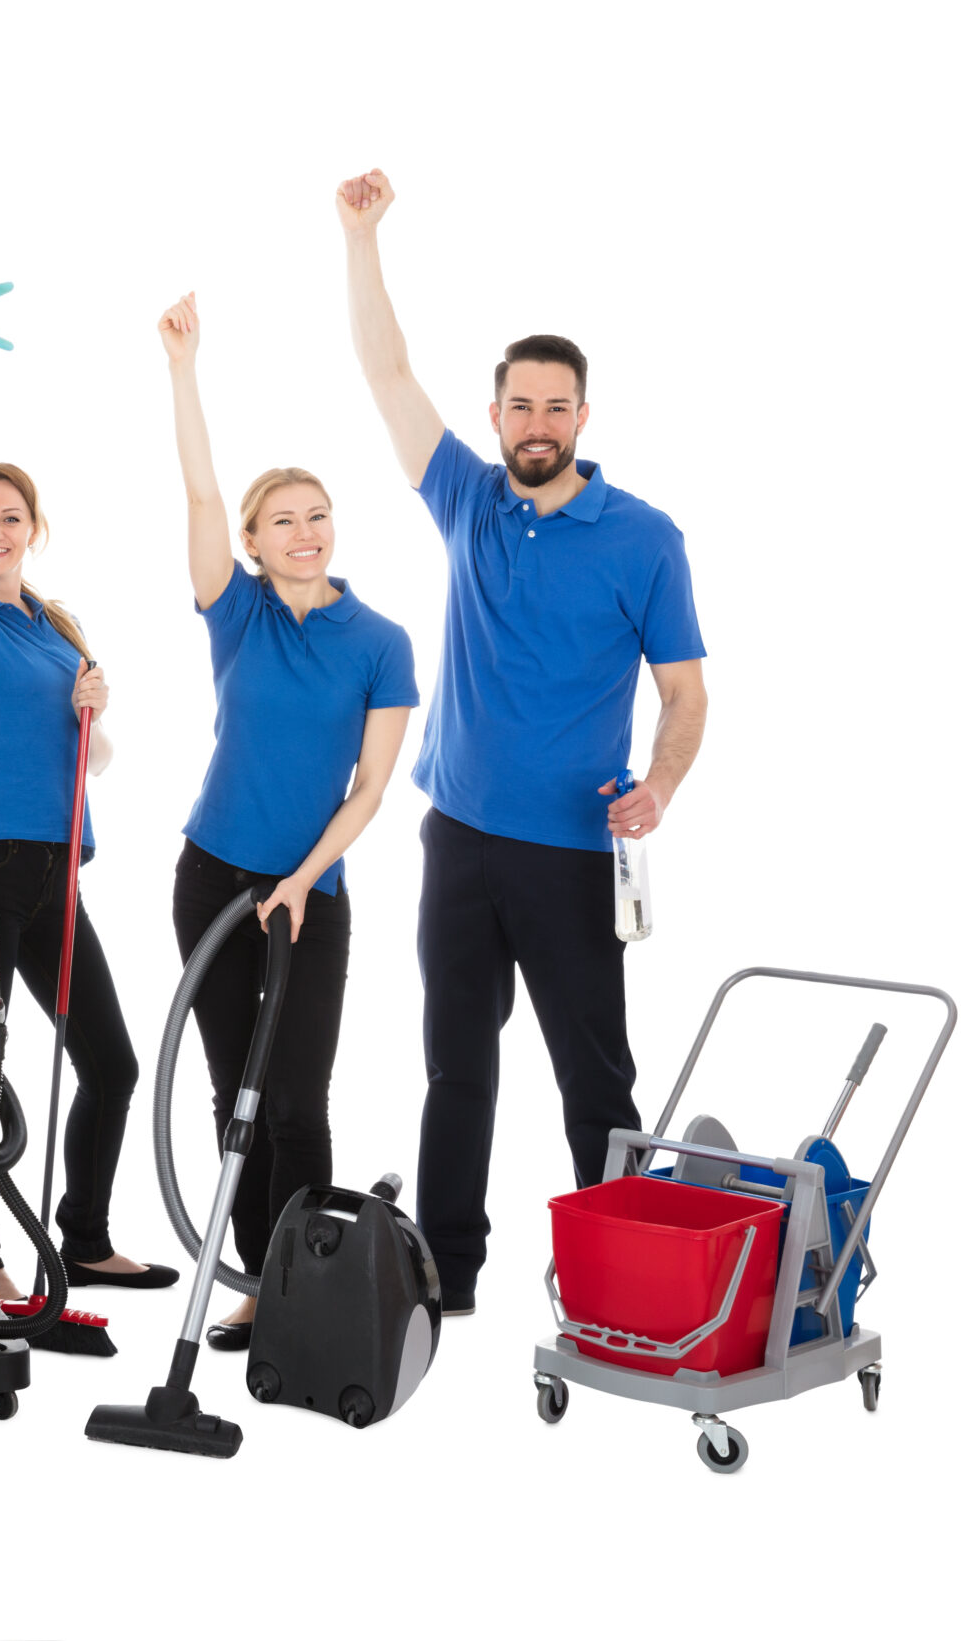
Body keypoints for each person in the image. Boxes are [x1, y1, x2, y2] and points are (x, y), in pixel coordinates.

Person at [338, 170, 708, 1313]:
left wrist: (659, 785)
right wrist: (360, 239)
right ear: (494, 415)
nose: (536, 426)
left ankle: (631, 1280)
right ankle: (447, 1274)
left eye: (556, 408)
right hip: (457, 842)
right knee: (457, 1070)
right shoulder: (468, 499)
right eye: (518, 408)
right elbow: (387, 373)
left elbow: (687, 696)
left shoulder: (643, 537)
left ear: (582, 417)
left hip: (565, 852)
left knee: (595, 1082)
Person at [159, 292, 418, 1349]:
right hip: (212, 877)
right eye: (283, 522)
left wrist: (304, 881)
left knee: (299, 1099)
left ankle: (300, 1291)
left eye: (317, 516)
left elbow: (369, 788)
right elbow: (199, 491)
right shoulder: (237, 611)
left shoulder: (382, 640)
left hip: (310, 897)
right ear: (256, 545)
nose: (303, 533)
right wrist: (183, 368)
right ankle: (258, 1285)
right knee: (237, 1098)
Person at [0, 344, 177, 1302]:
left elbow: (91, 762)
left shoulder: (60, 629)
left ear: (34, 529)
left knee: (111, 1061)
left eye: (7, 517)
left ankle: (88, 1237)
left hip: (59, 865)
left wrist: (93, 711)